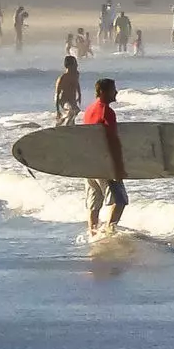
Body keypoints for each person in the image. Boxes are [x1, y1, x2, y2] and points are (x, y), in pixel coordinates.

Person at [80, 78, 128, 235]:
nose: (116, 92)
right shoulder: (106, 111)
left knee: (94, 202)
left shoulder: (89, 110)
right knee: (120, 201)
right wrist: (118, 168)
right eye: (113, 89)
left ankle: (92, 233)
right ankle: (109, 230)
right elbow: (112, 140)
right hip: (103, 163)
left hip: (89, 162)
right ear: (103, 91)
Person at [54, 55, 83, 124]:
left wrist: (79, 94)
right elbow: (57, 94)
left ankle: (67, 125)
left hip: (72, 99)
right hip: (63, 99)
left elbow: (76, 83)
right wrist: (58, 111)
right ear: (69, 65)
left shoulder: (76, 74)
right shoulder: (63, 78)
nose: (77, 65)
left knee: (75, 112)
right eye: (75, 64)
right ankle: (65, 126)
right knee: (71, 111)